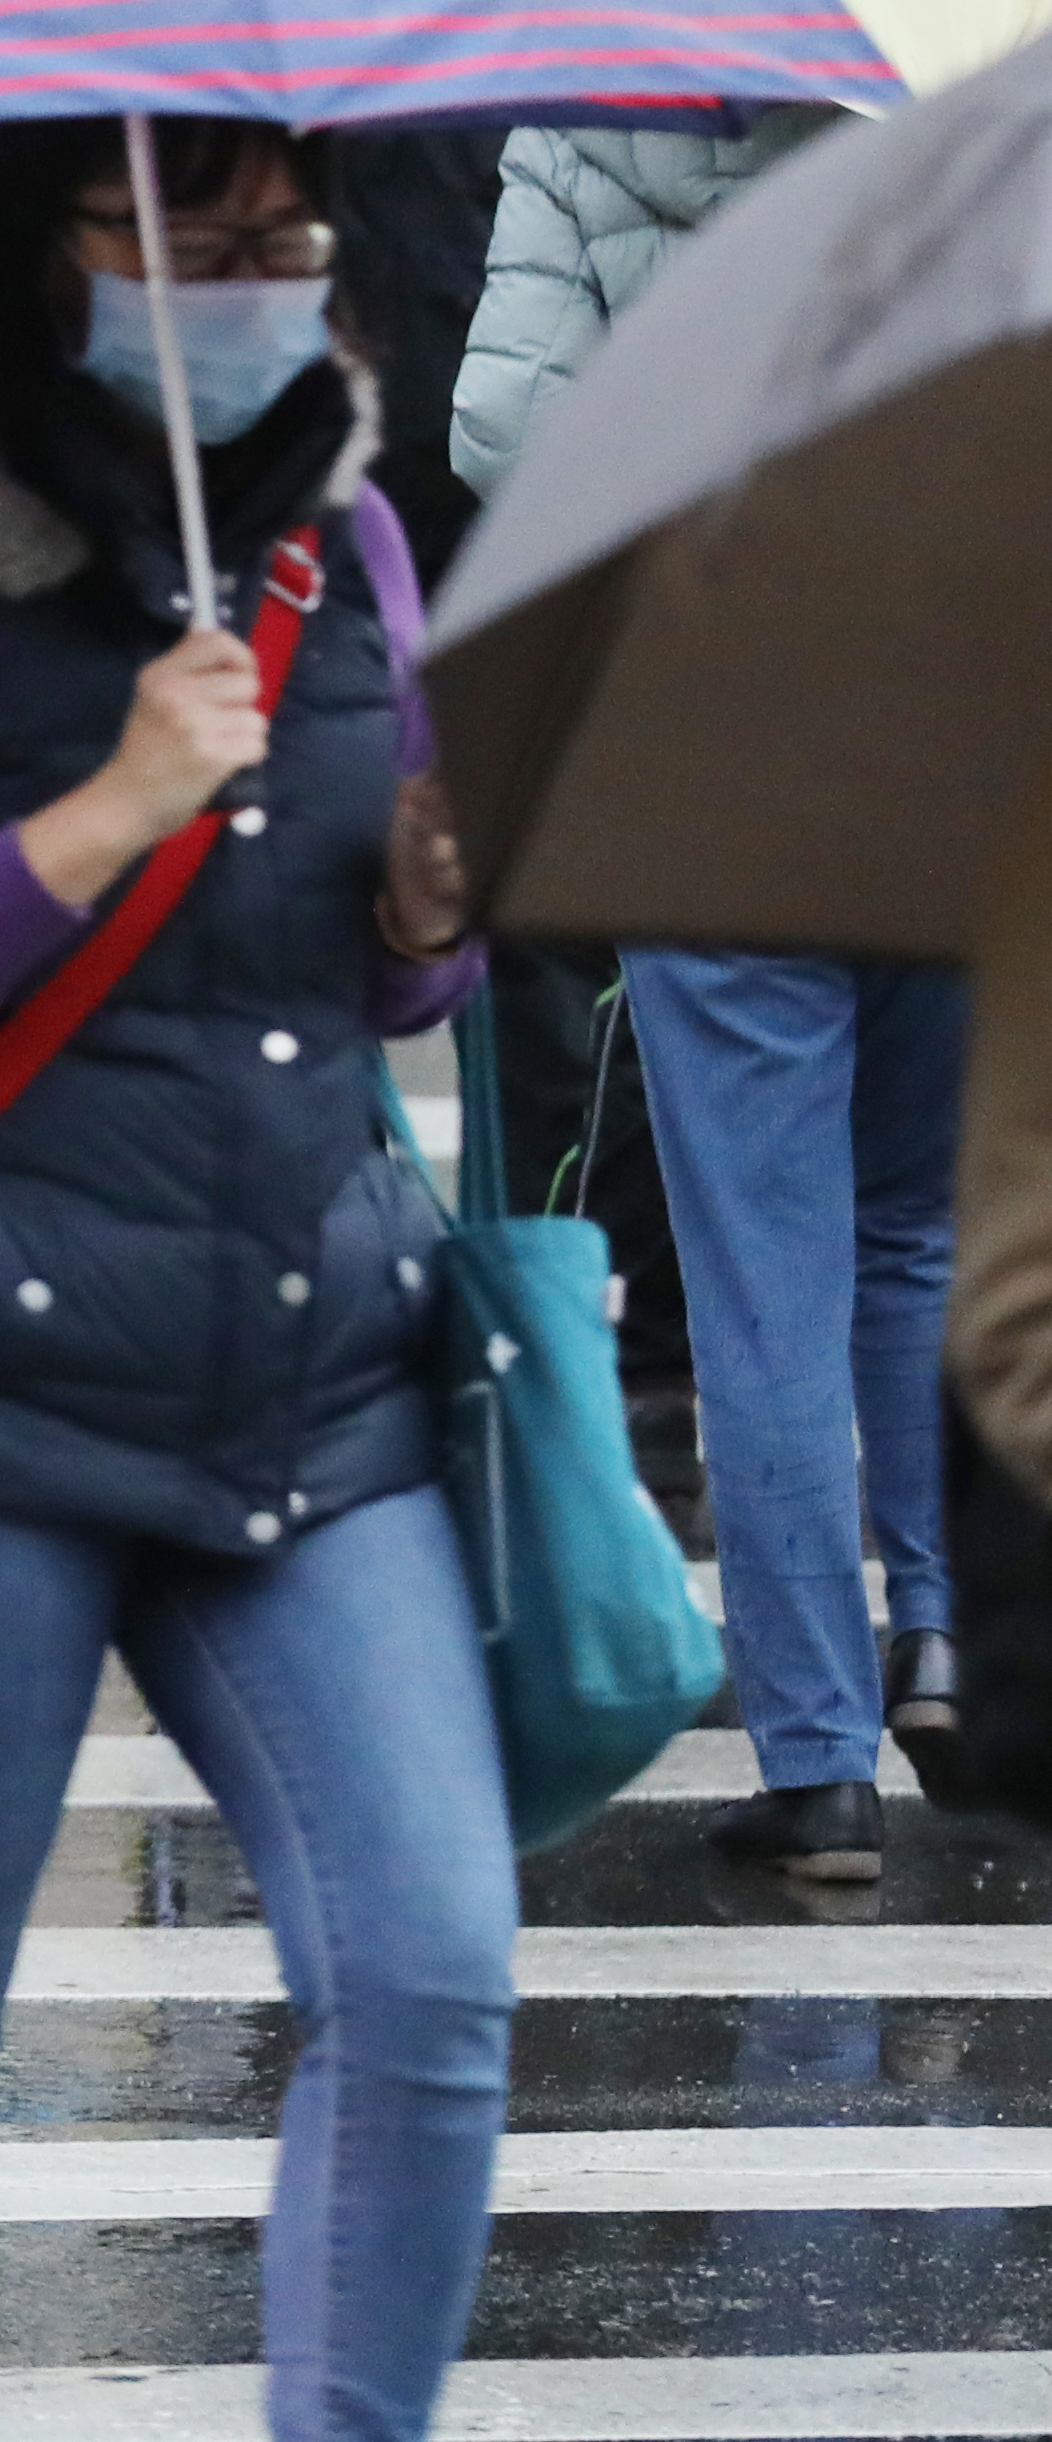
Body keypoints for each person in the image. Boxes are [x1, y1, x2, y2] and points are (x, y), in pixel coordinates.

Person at [0, 114, 503, 2442]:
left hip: (309, 1379)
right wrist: (96, 809)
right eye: (191, 231)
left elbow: (366, 1001)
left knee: (430, 1969)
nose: (255, 276)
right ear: (37, 255)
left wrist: (423, 912)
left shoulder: (346, 527)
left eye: (286, 232)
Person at [457, 101, 955, 1868]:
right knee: (912, 1230)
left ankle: (817, 1754)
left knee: (761, 1278)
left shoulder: (584, 130)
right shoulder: (961, 107)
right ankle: (948, 1634)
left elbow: (496, 420)